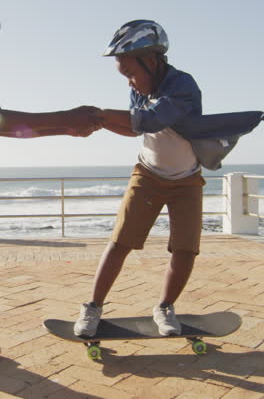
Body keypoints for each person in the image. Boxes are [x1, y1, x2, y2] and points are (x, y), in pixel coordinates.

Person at [74, 19, 206, 337]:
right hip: (147, 175)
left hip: (187, 179)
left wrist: (98, 114)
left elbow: (151, 119)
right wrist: (99, 123)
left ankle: (164, 308)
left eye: (131, 73)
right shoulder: (139, 88)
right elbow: (135, 127)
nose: (130, 83)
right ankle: (92, 307)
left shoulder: (182, 85)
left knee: (185, 248)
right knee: (120, 242)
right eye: (125, 76)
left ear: (152, 60)